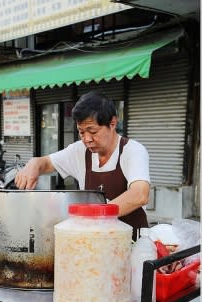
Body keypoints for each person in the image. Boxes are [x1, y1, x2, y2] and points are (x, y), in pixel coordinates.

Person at [15, 91, 150, 241]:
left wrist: (95, 214)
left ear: (112, 123)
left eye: (93, 131)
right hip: (94, 244)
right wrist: (34, 164)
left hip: (133, 246)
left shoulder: (133, 150)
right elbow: (45, 162)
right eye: (81, 132)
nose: (87, 139)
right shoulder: (79, 151)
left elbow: (140, 194)